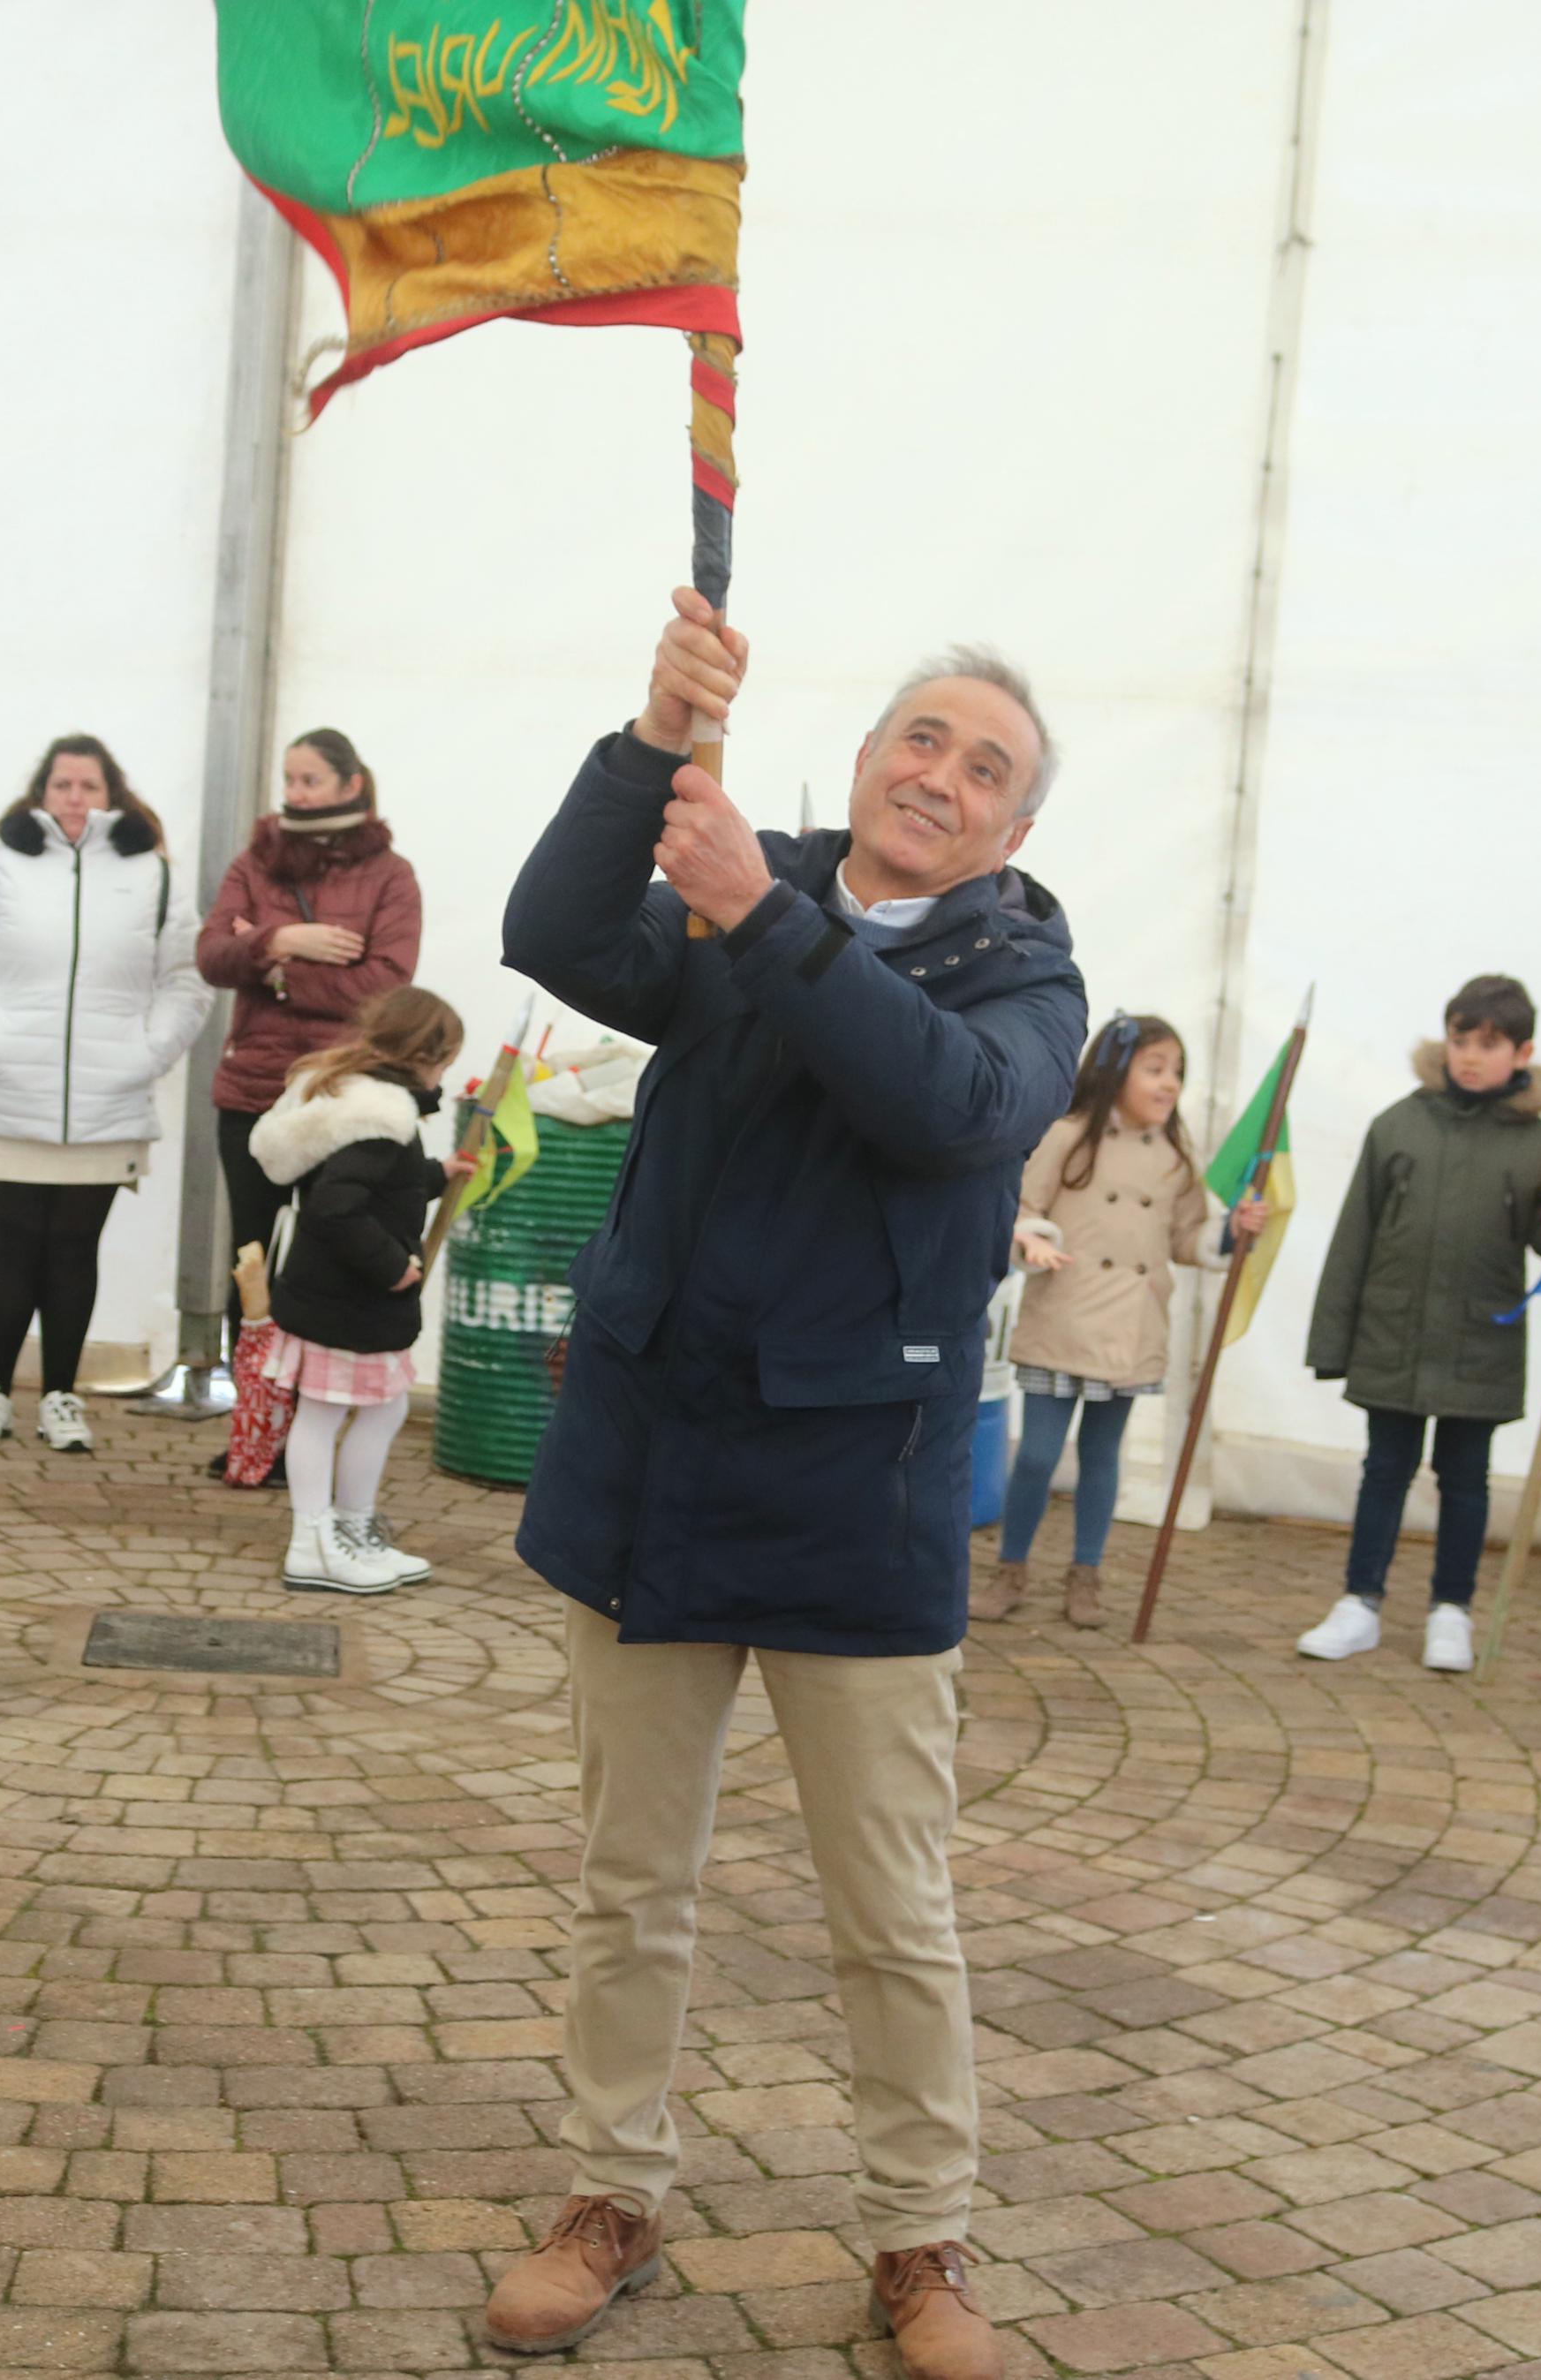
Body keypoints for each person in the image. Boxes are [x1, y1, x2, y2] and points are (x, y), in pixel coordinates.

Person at [488, 589, 1084, 2380]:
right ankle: (610, 2193)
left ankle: (918, 2237)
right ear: (864, 755)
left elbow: (942, 1108)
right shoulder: (745, 886)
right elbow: (550, 925)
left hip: (859, 1493)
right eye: (924, 737)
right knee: (627, 1880)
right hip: (656, 1467)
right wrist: (652, 742)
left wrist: (763, 912)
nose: (942, 777)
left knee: (890, 1911)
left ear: (1013, 832)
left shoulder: (1026, 982)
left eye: (986, 769)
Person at [0, 734, 208, 1453]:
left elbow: (187, 978)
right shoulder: (0, 865)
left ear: (111, 795)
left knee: (75, 1246)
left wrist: (146, 1054)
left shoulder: (156, 875)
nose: (75, 799)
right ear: (40, 794)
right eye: (61, 785)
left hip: (111, 1100)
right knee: (15, 1241)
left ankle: (60, 1395)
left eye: (88, 785)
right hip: (9, 1093)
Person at [1296, 973, 1541, 1673]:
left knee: (1465, 1479)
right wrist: (1335, 1339)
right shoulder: (1397, 1125)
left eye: (1489, 1043)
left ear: (1522, 1050)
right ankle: (1359, 1602)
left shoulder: (1539, 1145)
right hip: (1393, 1334)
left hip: (1482, 1340)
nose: (1471, 1056)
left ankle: (1452, 1611)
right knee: (1383, 1469)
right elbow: (1353, 1236)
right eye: (1460, 1039)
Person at [988, 1014, 1263, 1629]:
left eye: (1178, 1072)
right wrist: (1029, 1239)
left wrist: (1230, 1232)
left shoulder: (1175, 1155)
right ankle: (1009, 1568)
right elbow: (1020, 1203)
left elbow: (1187, 1236)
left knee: (1103, 1454)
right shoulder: (1067, 1136)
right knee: (1034, 1455)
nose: (1169, 1084)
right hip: (1062, 1318)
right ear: (1115, 1071)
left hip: (1132, 1328)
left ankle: (1086, 1574)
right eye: (1155, 1068)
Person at [195, 730, 419, 1478]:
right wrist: (285, 939)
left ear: (351, 782)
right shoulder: (252, 862)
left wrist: (273, 968)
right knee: (253, 1271)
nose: (296, 792)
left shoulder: (391, 876)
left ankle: (309, 1440)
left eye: (312, 779)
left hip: (342, 1104)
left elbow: (385, 985)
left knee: (322, 1273)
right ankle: (253, 1435)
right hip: (254, 1095)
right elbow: (210, 956)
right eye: (289, 777)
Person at [248, 986, 470, 1591]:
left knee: (382, 1406)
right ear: (427, 1053)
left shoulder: (353, 1092)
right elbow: (336, 1205)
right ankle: (313, 1542)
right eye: (447, 1057)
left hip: (331, 1292)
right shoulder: (385, 1116)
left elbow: (374, 1184)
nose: (447, 1070)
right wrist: (392, 1266)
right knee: (323, 1415)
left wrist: (435, 1175)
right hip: (348, 1296)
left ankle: (350, 1528)